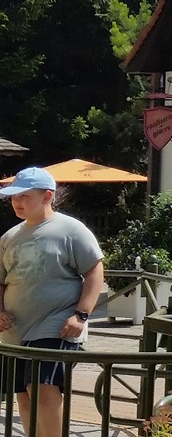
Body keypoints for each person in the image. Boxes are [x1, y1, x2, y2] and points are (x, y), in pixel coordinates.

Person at [0, 167, 105, 437]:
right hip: (16, 329)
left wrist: (81, 315)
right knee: (24, 396)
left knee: (42, 389)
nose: (16, 202)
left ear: (47, 196)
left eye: (24, 196)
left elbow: (94, 270)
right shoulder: (9, 237)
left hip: (56, 324)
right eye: (14, 197)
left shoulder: (71, 230)